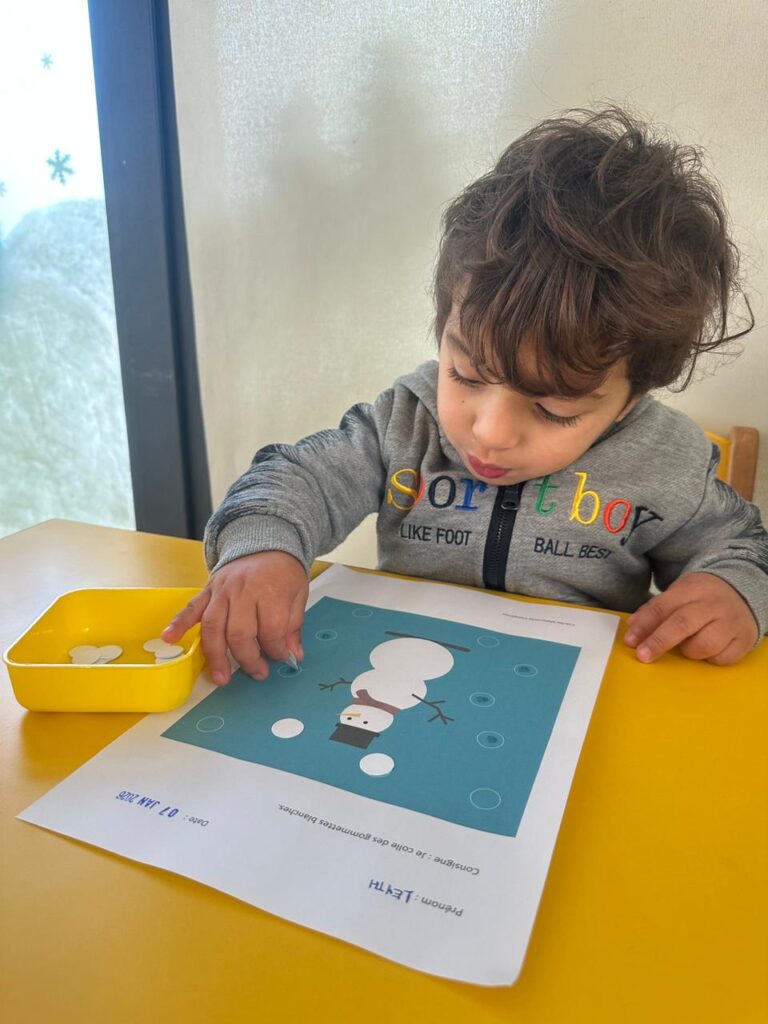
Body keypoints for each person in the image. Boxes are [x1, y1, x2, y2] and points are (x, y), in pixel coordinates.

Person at [163, 107, 767, 685]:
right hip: (403, 666)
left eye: (555, 410)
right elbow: (296, 478)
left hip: (575, 692)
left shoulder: (664, 464)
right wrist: (263, 548)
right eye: (468, 376)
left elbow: (743, 547)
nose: (490, 432)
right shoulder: (404, 425)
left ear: (631, 399)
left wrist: (733, 590)